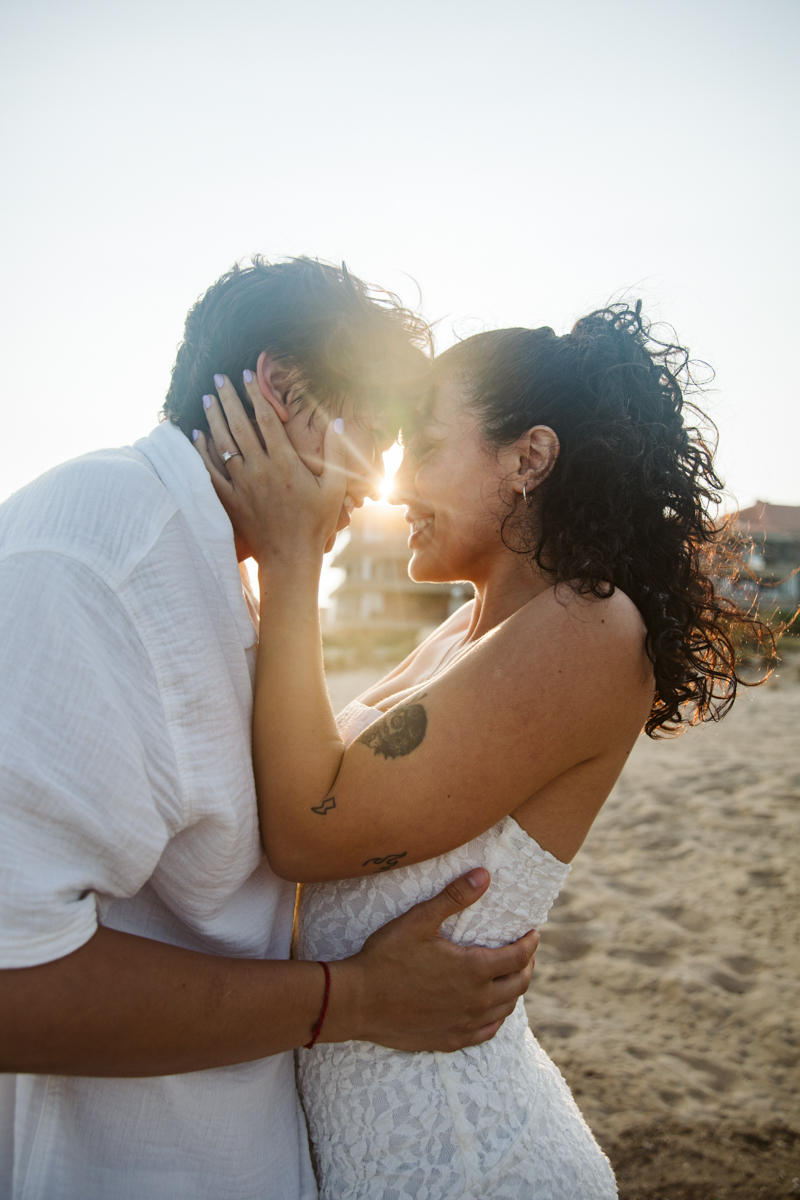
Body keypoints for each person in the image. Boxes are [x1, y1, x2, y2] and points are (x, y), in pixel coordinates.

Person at [196, 302, 771, 1198]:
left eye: (423, 447)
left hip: (472, 1164)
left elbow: (312, 829)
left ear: (528, 459)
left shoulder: (589, 626)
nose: (394, 483)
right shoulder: (469, 630)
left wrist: (291, 556)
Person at [0, 257, 541, 1200]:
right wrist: (360, 1001)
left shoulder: (213, 564)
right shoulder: (99, 563)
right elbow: (13, 986)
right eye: (372, 436)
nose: (375, 488)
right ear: (282, 391)